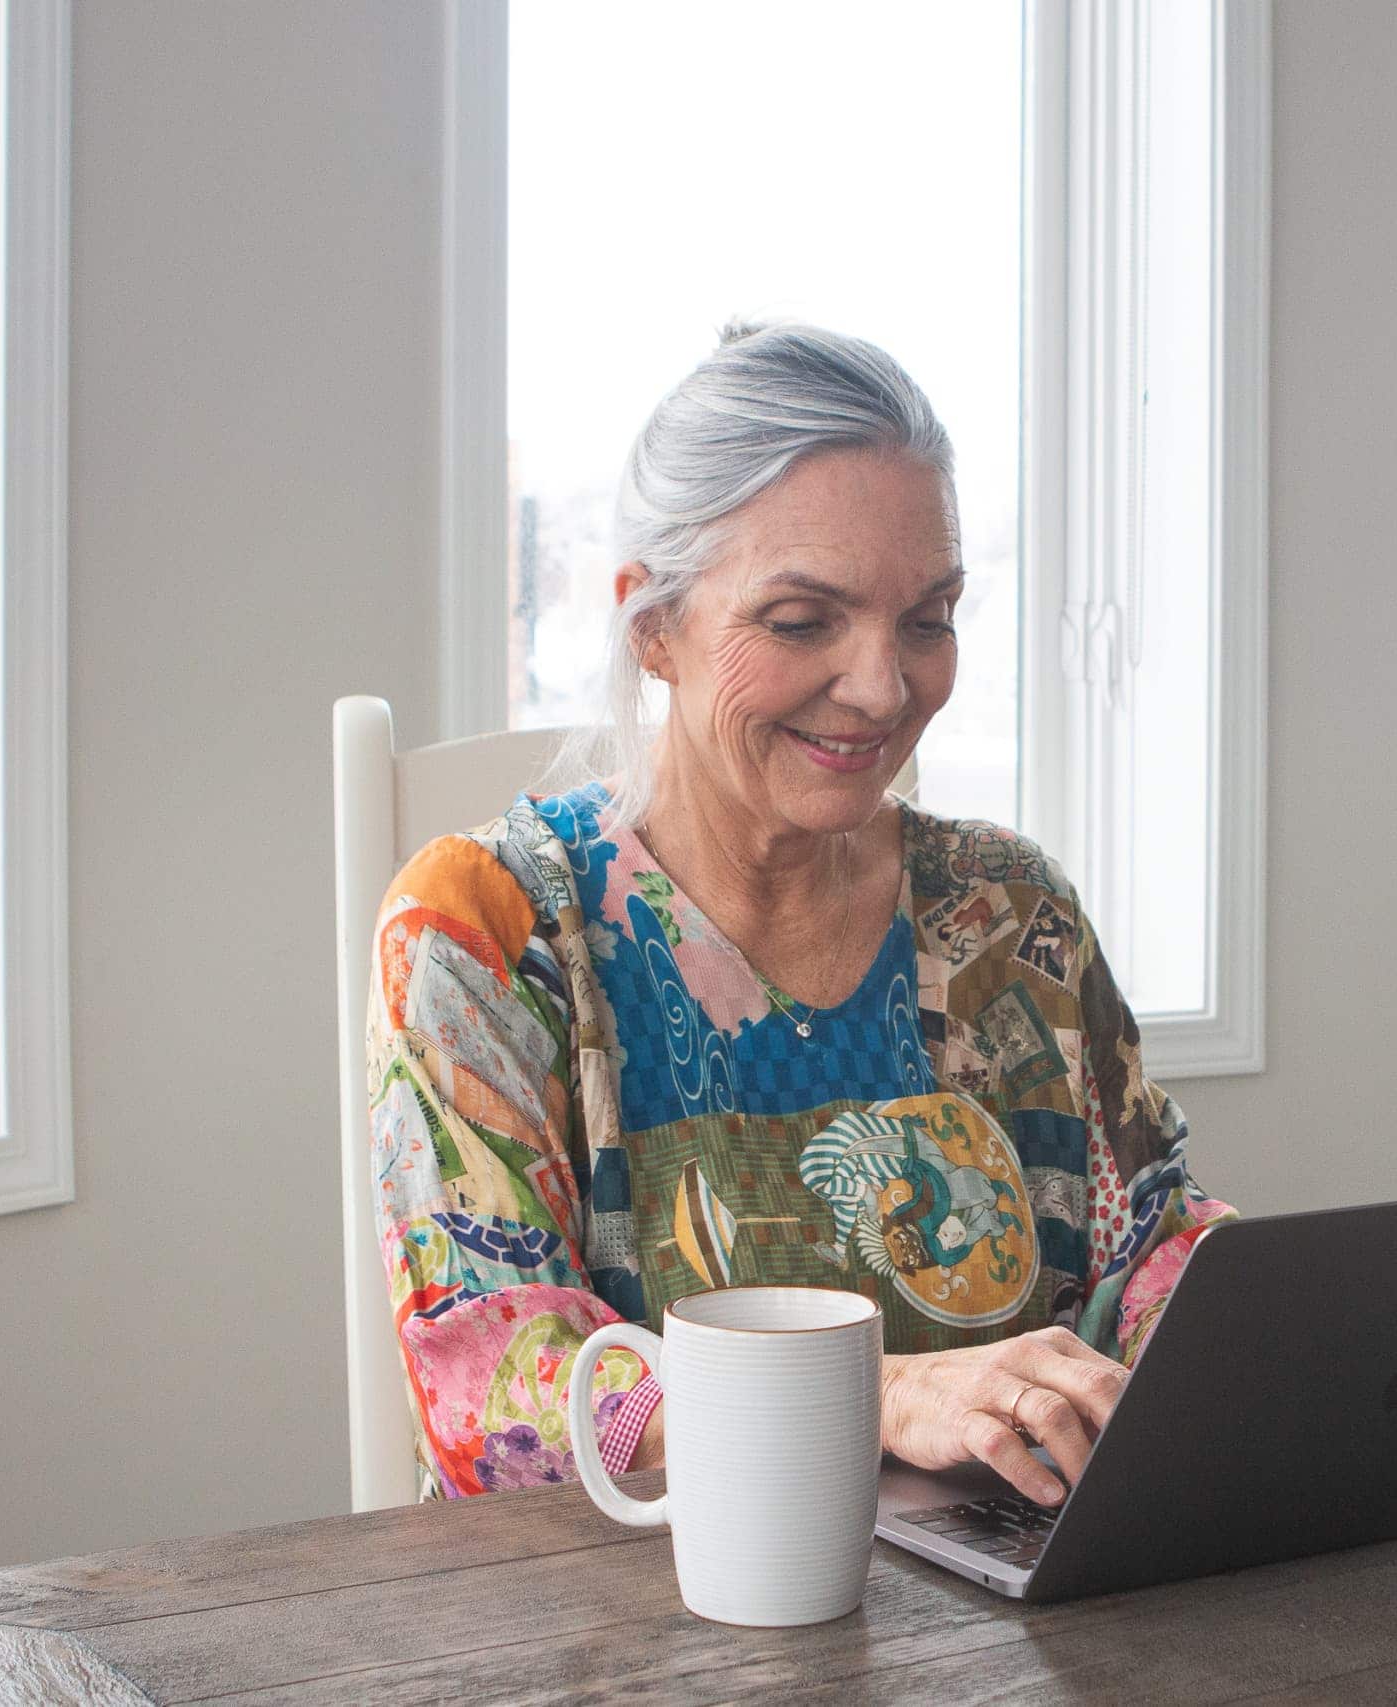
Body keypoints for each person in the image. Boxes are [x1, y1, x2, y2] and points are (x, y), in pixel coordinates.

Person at [367, 321, 1234, 1509]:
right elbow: (501, 1404)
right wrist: (879, 1396)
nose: (884, 688)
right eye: (800, 620)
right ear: (650, 625)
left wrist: (1300, 1326)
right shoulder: (486, 935)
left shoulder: (1009, 915)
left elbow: (1150, 1250)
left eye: (928, 617)